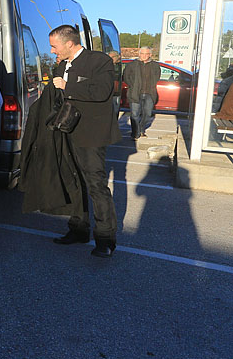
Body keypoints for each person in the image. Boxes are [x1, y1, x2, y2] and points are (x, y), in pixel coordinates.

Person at [49, 24, 121, 257]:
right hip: (68, 131)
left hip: (91, 134)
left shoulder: (99, 61)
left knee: (96, 186)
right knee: (74, 183)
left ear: (69, 43)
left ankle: (105, 239)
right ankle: (78, 229)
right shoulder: (62, 64)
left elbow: (102, 91)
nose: (53, 51)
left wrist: (68, 86)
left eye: (54, 46)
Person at [122, 47, 161, 139]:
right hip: (135, 93)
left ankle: (141, 129)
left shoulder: (155, 65)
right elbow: (126, 77)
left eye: (147, 54)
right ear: (139, 54)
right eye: (142, 53)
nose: (144, 56)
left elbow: (157, 77)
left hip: (150, 93)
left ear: (150, 55)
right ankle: (135, 133)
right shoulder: (132, 65)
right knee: (134, 114)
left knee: (148, 114)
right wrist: (133, 85)